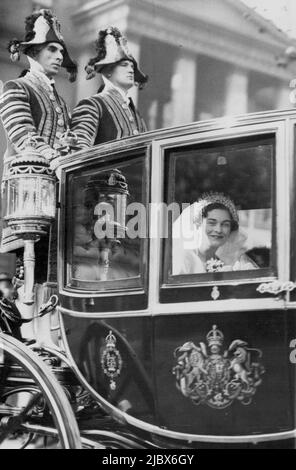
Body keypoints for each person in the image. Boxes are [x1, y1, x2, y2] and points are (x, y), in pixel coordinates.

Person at [0, 8, 77, 252]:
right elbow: (23, 136)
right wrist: (55, 156)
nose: (59, 56)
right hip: (27, 193)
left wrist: (68, 144)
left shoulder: (61, 101)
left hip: (57, 194)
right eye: (52, 49)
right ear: (33, 52)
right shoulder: (16, 87)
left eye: (61, 51)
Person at [71, 26, 148, 148]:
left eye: (132, 66)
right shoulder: (93, 105)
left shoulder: (136, 115)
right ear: (108, 71)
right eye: (124, 65)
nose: (131, 70)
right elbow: (79, 150)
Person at [173, 192, 258, 275]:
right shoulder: (184, 258)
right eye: (212, 223)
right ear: (198, 224)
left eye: (225, 224)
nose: (218, 230)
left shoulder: (225, 262)